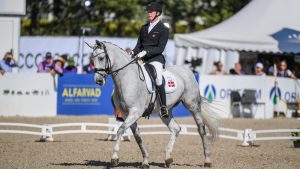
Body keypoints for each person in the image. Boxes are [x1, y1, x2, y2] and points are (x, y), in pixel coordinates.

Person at [131, 1, 169, 118]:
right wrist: (133, 52)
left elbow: (160, 48)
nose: (149, 13)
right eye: (148, 11)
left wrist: (146, 52)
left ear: (157, 13)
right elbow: (138, 45)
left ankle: (163, 106)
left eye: (151, 11)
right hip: (142, 59)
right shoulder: (143, 28)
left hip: (156, 59)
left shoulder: (163, 29)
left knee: (158, 78)